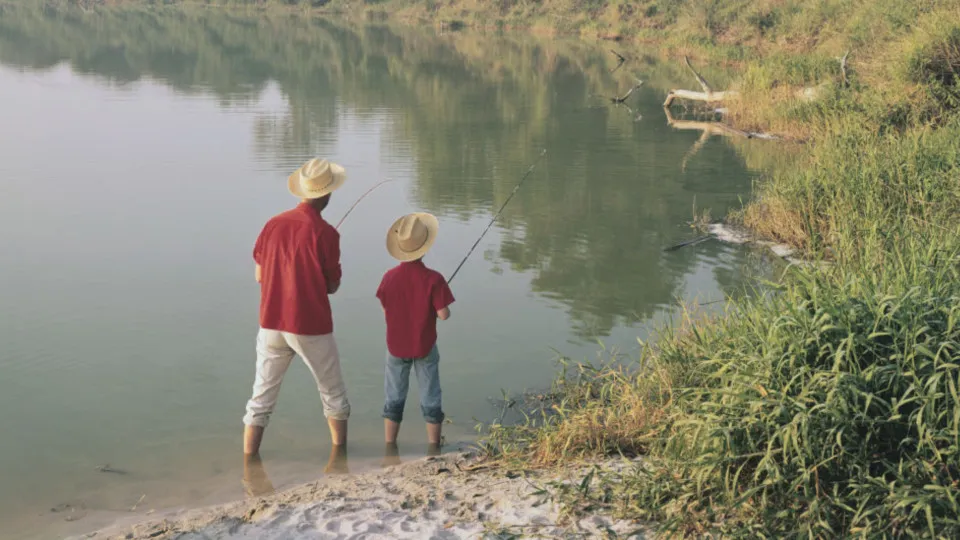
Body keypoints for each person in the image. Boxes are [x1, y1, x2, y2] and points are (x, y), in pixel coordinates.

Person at [242, 158, 351, 455]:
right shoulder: (327, 234)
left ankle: (249, 462)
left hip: (271, 323)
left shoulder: (272, 224)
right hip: (309, 324)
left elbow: (259, 275)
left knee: (261, 398)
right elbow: (331, 287)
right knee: (333, 394)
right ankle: (340, 458)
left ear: (302, 190)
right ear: (327, 194)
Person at [376, 212, 455, 447]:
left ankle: (390, 445)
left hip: (396, 346)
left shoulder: (388, 278)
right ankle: (434, 445)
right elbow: (444, 315)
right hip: (425, 346)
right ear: (424, 247)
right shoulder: (434, 279)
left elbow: (385, 311)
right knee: (430, 394)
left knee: (394, 397)